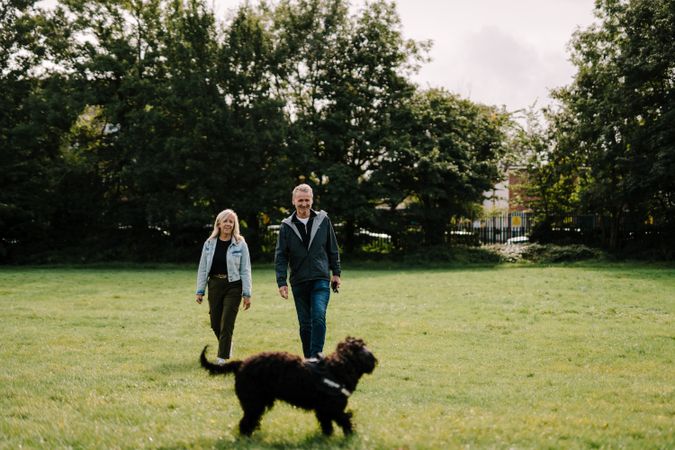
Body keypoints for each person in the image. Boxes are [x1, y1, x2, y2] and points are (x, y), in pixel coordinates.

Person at [275, 184, 341, 358]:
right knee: (305, 324)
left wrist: (336, 273)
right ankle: (309, 359)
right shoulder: (286, 226)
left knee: (318, 317)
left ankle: (316, 358)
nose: (304, 204)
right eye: (300, 200)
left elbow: (332, 248)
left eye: (307, 200)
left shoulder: (323, 220)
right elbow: (281, 255)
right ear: (293, 201)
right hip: (299, 281)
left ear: (312, 200)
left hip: (320, 278)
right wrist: (281, 282)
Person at [195, 209, 252, 364]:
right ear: (218, 223)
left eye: (231, 221)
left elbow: (245, 270)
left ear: (234, 225)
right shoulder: (209, 243)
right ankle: (227, 344)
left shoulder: (240, 244)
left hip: (234, 286)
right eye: (225, 221)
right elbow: (202, 268)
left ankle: (222, 358)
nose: (228, 224)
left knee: (227, 321)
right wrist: (200, 291)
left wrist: (247, 294)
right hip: (214, 285)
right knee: (215, 323)